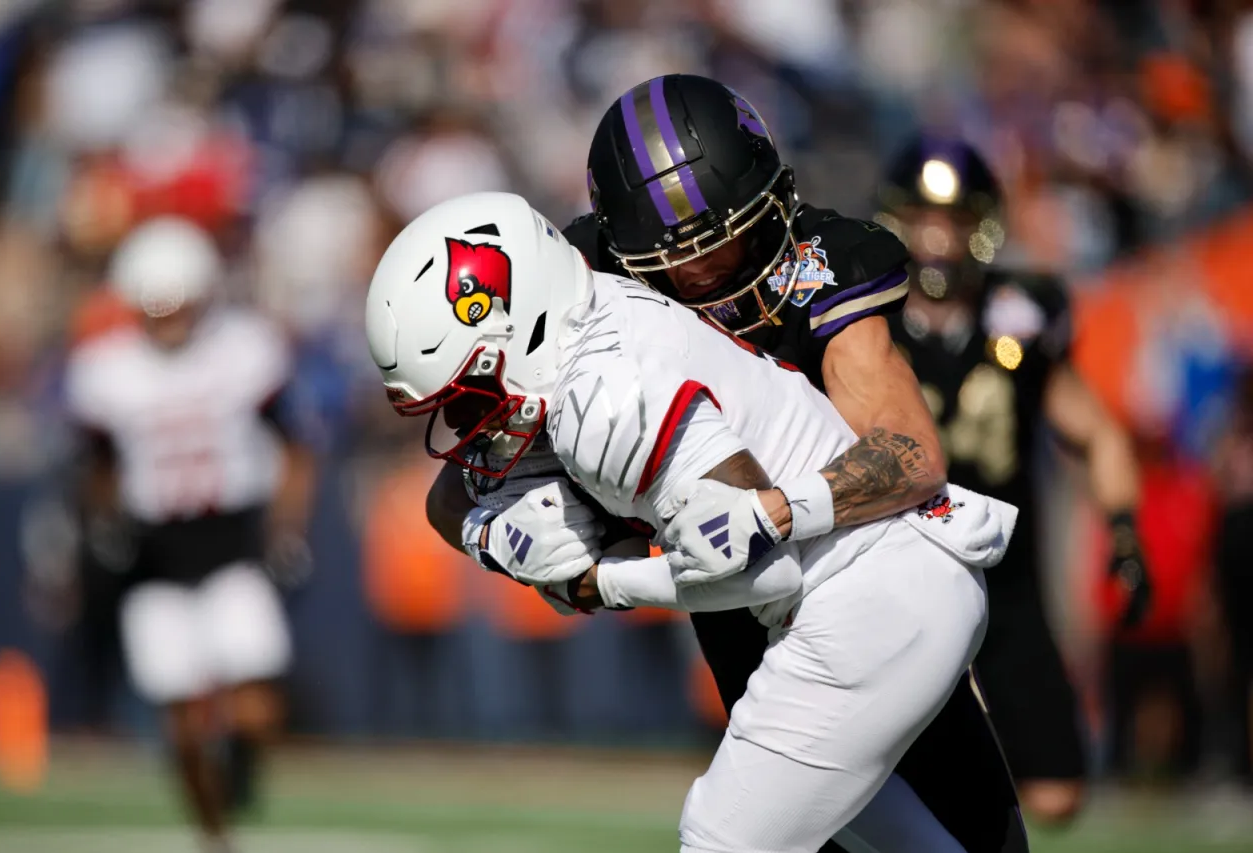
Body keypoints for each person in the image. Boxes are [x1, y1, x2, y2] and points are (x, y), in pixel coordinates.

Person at [425, 75, 1028, 853]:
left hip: (848, 573)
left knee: (973, 825)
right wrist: (517, 540)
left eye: (725, 237)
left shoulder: (823, 262)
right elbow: (460, 485)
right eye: (671, 256)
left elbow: (907, 455)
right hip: (735, 602)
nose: (704, 271)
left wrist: (776, 510)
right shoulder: (578, 274)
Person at [873, 136, 1151, 823]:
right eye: (923, 219)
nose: (937, 239)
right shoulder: (865, 320)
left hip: (1004, 574)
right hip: (899, 570)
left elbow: (1099, 433)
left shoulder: (1021, 316)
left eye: (953, 221)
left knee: (1057, 795)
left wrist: (1123, 533)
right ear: (896, 221)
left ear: (982, 227)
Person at [65, 217, 315, 853]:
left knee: (257, 705)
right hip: (151, 552)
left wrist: (287, 527)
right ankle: (214, 837)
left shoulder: (243, 348)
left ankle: (240, 774)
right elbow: (96, 467)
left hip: (230, 540)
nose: (166, 318)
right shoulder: (106, 370)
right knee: (179, 720)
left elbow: (294, 448)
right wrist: (102, 526)